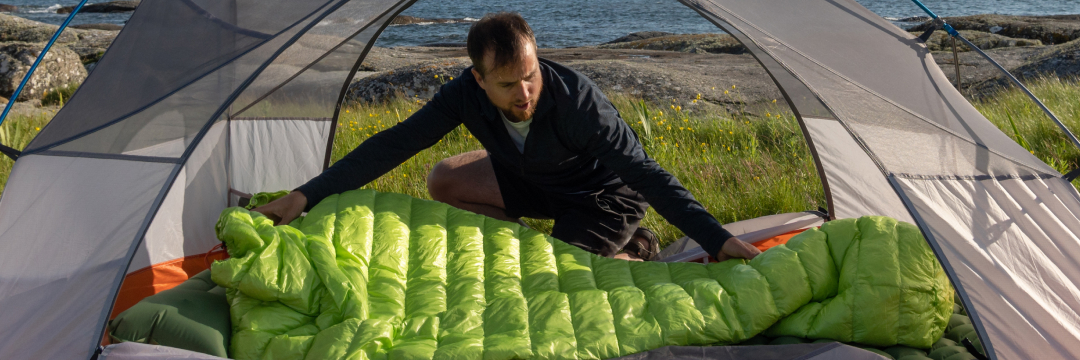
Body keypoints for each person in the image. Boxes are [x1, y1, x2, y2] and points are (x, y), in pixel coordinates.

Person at [253, 12, 760, 262]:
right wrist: (305, 194)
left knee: (564, 274)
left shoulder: (577, 103)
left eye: (531, 75)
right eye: (508, 82)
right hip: (535, 181)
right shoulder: (463, 95)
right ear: (479, 78)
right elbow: (396, 142)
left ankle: (636, 243)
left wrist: (718, 240)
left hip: (601, 198)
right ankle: (533, 239)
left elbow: (644, 174)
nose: (525, 92)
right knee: (442, 179)